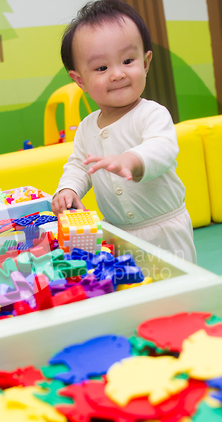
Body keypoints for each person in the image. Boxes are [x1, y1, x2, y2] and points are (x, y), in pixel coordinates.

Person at [51, 0, 196, 263]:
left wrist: (129, 160)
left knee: (177, 290)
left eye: (128, 60)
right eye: (102, 68)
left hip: (165, 229)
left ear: (146, 62)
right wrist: (68, 190)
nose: (117, 74)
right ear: (80, 80)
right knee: (134, 289)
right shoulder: (86, 127)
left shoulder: (151, 114)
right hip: (118, 234)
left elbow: (162, 149)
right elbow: (79, 166)